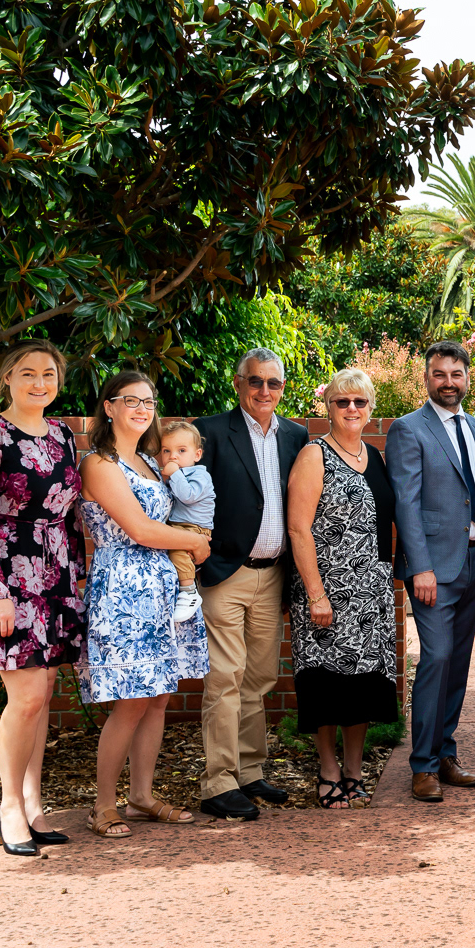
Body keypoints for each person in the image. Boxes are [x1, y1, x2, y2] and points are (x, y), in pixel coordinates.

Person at [0, 340, 87, 855]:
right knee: (26, 696)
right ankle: (8, 806)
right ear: (7, 378)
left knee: (44, 692)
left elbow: (67, 514)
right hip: (8, 576)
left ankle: (32, 802)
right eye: (27, 373)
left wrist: (73, 578)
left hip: (55, 575)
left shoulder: (62, 435)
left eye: (48, 373)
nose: (39, 382)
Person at [78, 372, 212, 838]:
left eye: (149, 402)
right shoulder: (100, 463)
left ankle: (141, 797)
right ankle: (102, 805)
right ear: (109, 406)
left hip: (162, 588)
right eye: (130, 400)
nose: (141, 409)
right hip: (124, 589)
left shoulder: (151, 463)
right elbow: (138, 529)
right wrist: (194, 543)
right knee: (132, 701)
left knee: (158, 698)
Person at [194, 348, 309, 821]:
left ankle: (249, 770)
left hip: (274, 574)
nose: (265, 390)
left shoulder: (296, 436)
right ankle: (218, 782)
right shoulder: (209, 432)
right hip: (226, 573)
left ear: (282, 388)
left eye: (273, 382)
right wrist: (198, 554)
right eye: (255, 381)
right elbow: (186, 497)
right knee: (225, 677)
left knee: (259, 678)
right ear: (238, 383)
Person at [286, 368, 398, 810]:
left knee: (363, 686)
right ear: (328, 408)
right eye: (342, 401)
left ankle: (354, 770)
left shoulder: (375, 456)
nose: (352, 408)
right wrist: (316, 593)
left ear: (371, 409)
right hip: (327, 590)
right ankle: (328, 770)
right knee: (326, 685)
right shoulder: (314, 455)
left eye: (360, 401)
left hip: (370, 592)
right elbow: (299, 528)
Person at [386, 341, 475, 803]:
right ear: (426, 378)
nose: (449, 382)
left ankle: (445, 753)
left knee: (458, 662)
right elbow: (406, 503)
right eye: (439, 374)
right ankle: (423, 766)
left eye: (456, 374)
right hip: (433, 567)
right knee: (437, 657)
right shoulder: (409, 429)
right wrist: (421, 567)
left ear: (467, 378)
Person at [158, 421, 215, 623]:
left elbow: (188, 496)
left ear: (197, 455)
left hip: (194, 528)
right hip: (179, 526)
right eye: (166, 450)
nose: (173, 456)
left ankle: (189, 592)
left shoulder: (200, 475)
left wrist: (174, 474)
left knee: (178, 552)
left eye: (181, 450)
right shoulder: (175, 474)